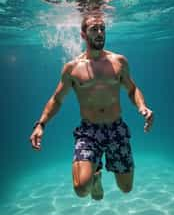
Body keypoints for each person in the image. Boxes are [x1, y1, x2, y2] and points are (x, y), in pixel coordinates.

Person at [29, 14, 154, 201]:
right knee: (81, 189)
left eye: (102, 28)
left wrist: (142, 107)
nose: (100, 33)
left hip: (116, 128)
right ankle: (94, 177)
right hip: (89, 131)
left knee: (126, 188)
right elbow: (57, 99)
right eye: (94, 29)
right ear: (83, 35)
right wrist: (41, 124)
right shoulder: (72, 68)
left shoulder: (119, 62)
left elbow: (132, 89)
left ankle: (97, 172)